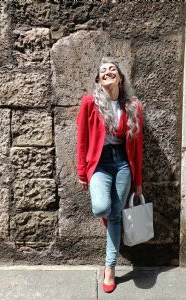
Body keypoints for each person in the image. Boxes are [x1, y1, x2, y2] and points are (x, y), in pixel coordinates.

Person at [76, 57, 143, 293]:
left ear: (120, 77)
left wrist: (138, 182)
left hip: (123, 164)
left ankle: (110, 268)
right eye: (102, 70)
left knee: (116, 214)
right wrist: (82, 172)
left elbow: (138, 146)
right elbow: (82, 140)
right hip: (100, 164)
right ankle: (111, 220)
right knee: (102, 208)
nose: (107, 72)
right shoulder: (89, 103)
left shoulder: (133, 106)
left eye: (112, 69)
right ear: (98, 79)